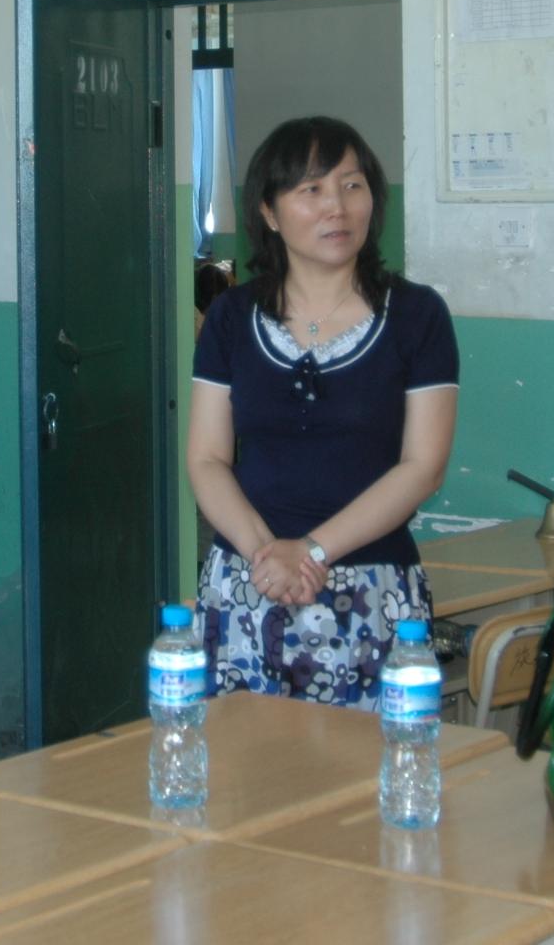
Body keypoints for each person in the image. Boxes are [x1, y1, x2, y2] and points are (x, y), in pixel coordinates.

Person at [186, 117, 458, 708]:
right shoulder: (231, 317)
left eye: (352, 185)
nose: (338, 206)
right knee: (244, 763)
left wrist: (311, 551)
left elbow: (423, 467)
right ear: (269, 212)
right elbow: (206, 458)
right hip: (248, 585)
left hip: (371, 590)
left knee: (369, 763)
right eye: (311, 189)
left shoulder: (417, 316)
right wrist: (266, 555)